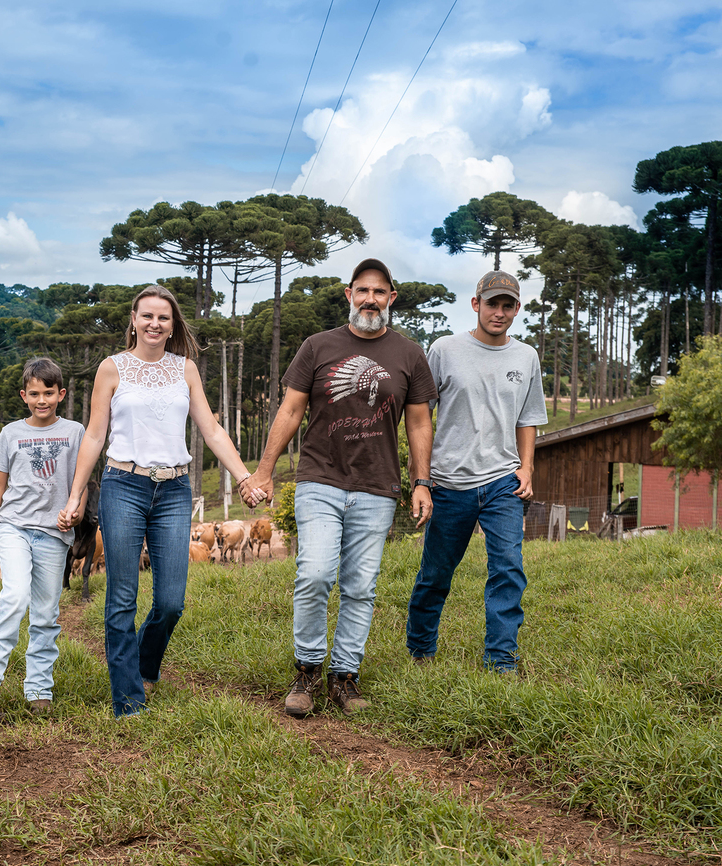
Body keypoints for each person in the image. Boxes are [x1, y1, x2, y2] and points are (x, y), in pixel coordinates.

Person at [240, 258, 436, 717]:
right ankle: (308, 668)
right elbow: (290, 411)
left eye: (379, 292)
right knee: (314, 574)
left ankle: (344, 676)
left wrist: (421, 482)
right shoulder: (317, 346)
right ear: (349, 294)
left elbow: (419, 423)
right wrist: (264, 470)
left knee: (361, 586)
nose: (370, 299)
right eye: (362, 290)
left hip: (377, 485)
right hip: (319, 479)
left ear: (391, 298)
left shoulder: (409, 354)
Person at [58, 285, 263, 718]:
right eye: (147, 316)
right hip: (123, 485)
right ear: (133, 320)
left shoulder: (184, 369)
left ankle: (144, 665)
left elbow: (211, 430)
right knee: (122, 596)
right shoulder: (112, 368)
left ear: (173, 326)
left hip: (174, 490)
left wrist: (243, 476)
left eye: (163, 318)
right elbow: (94, 435)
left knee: (171, 602)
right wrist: (76, 495)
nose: (155, 323)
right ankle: (128, 700)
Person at [405, 271, 547, 672]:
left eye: (507, 305)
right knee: (436, 573)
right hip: (450, 482)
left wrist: (526, 468)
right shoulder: (444, 350)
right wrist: (421, 480)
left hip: (503, 481)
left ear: (517, 310)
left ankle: (501, 660)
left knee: (508, 568)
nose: (498, 312)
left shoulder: (526, 357)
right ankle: (420, 649)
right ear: (475, 304)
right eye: (491, 304)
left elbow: (528, 418)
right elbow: (419, 418)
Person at [0, 357, 85, 716]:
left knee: (46, 614)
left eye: (48, 393)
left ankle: (38, 689)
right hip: (14, 526)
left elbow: (81, 484)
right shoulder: (11, 434)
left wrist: (76, 512)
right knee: (15, 596)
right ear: (23, 396)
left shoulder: (75, 432)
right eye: (34, 394)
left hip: (54, 533)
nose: (41, 400)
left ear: (61, 394)